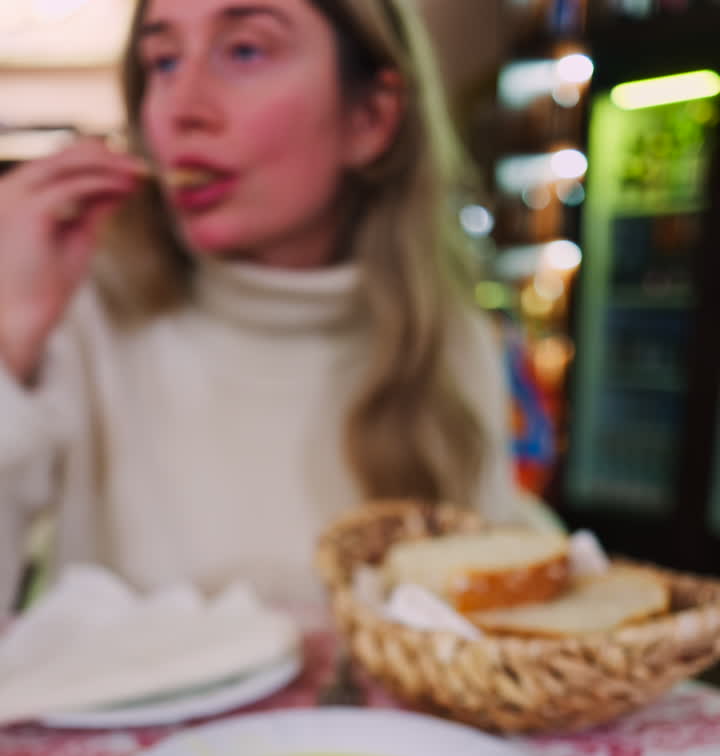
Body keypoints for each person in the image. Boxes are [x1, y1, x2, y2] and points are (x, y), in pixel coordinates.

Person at [0, 0, 551, 613]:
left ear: (369, 118)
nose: (182, 109)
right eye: (161, 62)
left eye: (244, 51)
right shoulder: (79, 319)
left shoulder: (449, 341)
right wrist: (8, 340)